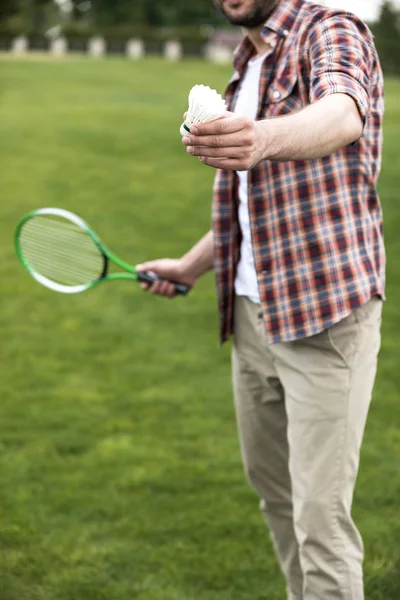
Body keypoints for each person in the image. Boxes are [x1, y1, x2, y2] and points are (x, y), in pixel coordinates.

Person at [137, 0, 386, 598]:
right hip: (252, 317)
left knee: (320, 521)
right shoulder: (246, 59)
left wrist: (264, 137)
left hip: (324, 316)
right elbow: (254, 203)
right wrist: (193, 266)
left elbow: (343, 112)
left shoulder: (330, 28)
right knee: (276, 497)